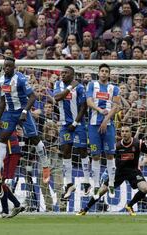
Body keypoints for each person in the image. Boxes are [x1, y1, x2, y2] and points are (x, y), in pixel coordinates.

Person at [77, 126, 147, 216]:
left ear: (131, 133)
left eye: (126, 131)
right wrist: (106, 172)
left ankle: (129, 205)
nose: (124, 133)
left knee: (145, 188)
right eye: (122, 132)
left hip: (133, 171)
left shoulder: (138, 143)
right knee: (102, 191)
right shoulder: (116, 146)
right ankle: (85, 209)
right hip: (118, 172)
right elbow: (109, 160)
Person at [0, 57, 50, 183]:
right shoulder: (1, 80)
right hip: (10, 113)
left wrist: (24, 111)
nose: (7, 68)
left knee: (34, 138)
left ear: (14, 67)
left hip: (23, 111)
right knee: (2, 138)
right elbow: (2, 100)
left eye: (9, 66)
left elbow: (32, 97)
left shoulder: (21, 79)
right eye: (5, 66)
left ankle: (45, 166)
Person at [53, 66, 90, 199]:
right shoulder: (58, 84)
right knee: (66, 151)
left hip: (78, 123)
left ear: (72, 75)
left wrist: (75, 123)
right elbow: (57, 97)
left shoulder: (79, 87)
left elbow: (83, 106)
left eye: (66, 73)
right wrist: (69, 88)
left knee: (82, 150)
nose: (62, 75)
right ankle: (69, 183)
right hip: (64, 125)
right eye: (61, 72)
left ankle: (87, 181)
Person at [86, 63, 120, 197]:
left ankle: (111, 184)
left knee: (110, 154)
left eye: (106, 71)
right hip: (93, 125)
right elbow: (89, 102)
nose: (104, 73)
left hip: (109, 125)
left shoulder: (114, 88)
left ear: (109, 74)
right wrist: (100, 110)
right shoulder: (91, 85)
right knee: (95, 155)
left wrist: (106, 120)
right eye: (102, 71)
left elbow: (116, 106)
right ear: (98, 73)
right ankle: (95, 185)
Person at [0, 132, 25, 219]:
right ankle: (15, 205)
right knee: (0, 182)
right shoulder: (6, 127)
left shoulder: (6, 128)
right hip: (10, 153)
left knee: (1, 182)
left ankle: (7, 210)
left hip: (11, 153)